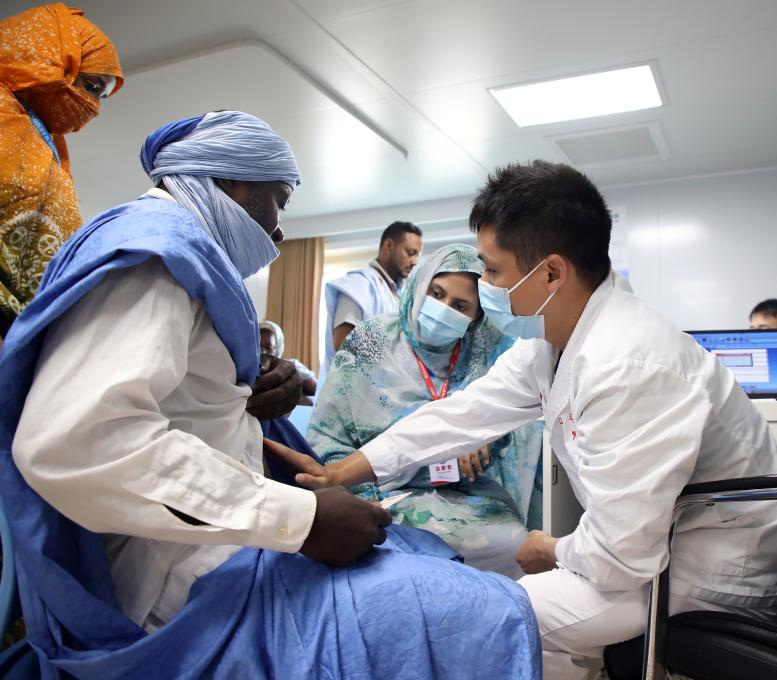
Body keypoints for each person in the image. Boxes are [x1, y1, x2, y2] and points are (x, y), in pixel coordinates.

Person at [0, 112, 540, 677]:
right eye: (279, 202)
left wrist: (255, 394)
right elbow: (82, 439)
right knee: (478, 611)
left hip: (233, 534)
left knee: (459, 583)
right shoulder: (155, 258)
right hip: (186, 568)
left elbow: (187, 399)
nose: (280, 231)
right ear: (233, 182)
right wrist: (300, 516)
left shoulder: (183, 257)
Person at [271, 160, 777, 679]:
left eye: (492, 270)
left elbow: (620, 558)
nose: (484, 284)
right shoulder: (552, 342)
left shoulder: (627, 365)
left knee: (490, 615)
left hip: (727, 567)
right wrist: (345, 470)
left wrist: (550, 548)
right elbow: (461, 415)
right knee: (489, 606)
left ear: (551, 272)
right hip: (656, 546)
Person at [308, 243, 543, 577]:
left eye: (460, 306)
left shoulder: (485, 353)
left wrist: (482, 441)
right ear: (421, 285)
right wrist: (357, 487)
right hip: (373, 491)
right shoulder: (371, 342)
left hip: (459, 493)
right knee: (386, 551)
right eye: (436, 293)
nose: (443, 309)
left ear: (475, 318)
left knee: (512, 546)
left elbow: (501, 419)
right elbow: (326, 436)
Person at [0, 2, 123, 343]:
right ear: (53, 62)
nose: (93, 106)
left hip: (26, 327)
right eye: (92, 86)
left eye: (102, 96)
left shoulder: (45, 140)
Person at [321, 220, 422, 374]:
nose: (415, 262)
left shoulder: (398, 295)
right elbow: (343, 343)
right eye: (410, 253)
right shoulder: (358, 284)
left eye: (417, 255)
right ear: (389, 246)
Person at [260, 319, 317, 404]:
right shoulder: (248, 371)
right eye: (258, 346)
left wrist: (299, 403)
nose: (263, 352)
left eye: (268, 348)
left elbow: (320, 393)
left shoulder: (292, 367)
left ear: (277, 348)